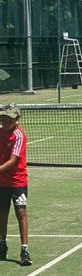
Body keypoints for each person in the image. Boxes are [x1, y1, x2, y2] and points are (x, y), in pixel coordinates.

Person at [0, 103, 32, 266]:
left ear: (16, 119)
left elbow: (13, 161)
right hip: (1, 182)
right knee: (2, 213)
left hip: (17, 181)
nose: (5, 123)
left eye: (8, 120)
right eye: (3, 119)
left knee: (21, 212)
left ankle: (24, 250)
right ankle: (2, 244)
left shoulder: (19, 135)